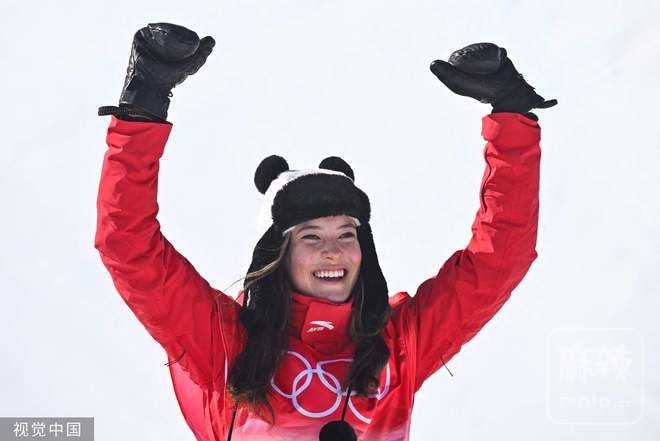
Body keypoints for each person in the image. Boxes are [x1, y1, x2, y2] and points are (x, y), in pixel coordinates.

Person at [95, 23, 556, 441]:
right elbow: (129, 247)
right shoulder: (228, 346)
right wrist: (143, 106)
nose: (332, 251)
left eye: (346, 235)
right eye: (311, 237)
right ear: (278, 253)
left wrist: (511, 115)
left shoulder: (399, 347)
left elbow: (499, 259)